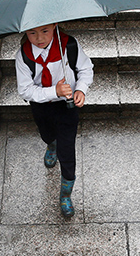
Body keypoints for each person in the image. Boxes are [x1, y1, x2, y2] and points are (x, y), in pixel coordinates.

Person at [14, 23, 94, 217]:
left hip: (67, 107)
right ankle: (51, 145)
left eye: (44, 31)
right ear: (25, 32)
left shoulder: (69, 46)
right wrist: (53, 91)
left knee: (67, 153)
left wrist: (81, 89)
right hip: (41, 105)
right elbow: (25, 90)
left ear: (55, 26)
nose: (39, 38)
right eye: (32, 33)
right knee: (47, 134)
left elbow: (86, 69)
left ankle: (65, 195)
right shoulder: (23, 56)